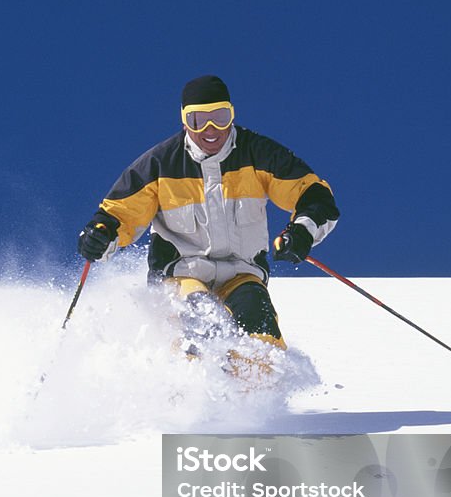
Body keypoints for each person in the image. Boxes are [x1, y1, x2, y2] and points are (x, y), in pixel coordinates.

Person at [77, 74, 339, 352]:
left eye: (221, 117)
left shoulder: (259, 156)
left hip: (242, 275)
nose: (211, 129)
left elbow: (314, 195)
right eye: (198, 120)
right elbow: (118, 214)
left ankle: (260, 389)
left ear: (232, 115)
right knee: (202, 324)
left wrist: (302, 231)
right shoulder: (160, 165)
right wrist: (100, 235)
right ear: (184, 121)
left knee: (262, 334)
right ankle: (188, 392)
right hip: (180, 276)